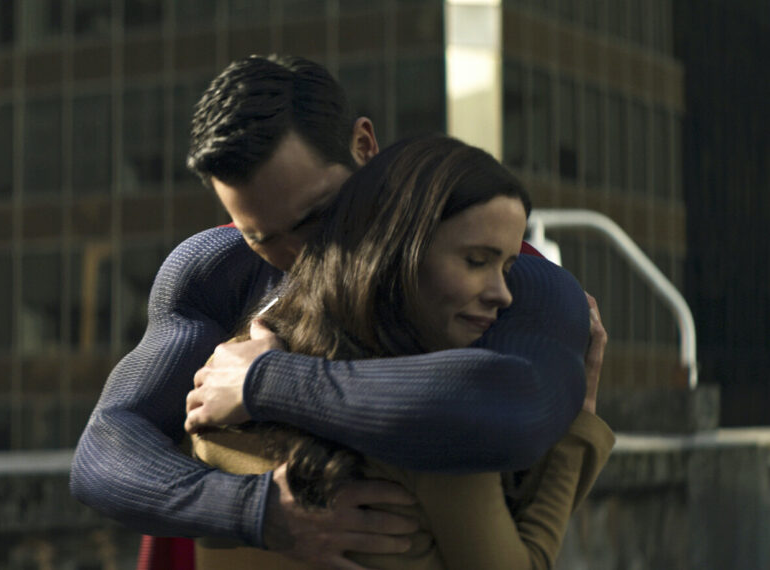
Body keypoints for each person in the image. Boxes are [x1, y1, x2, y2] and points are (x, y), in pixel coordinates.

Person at [70, 55, 605, 568]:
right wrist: (258, 511)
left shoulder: (500, 278)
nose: (298, 257)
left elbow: (513, 410)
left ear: (364, 147)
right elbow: (104, 452)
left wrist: (265, 381)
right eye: (261, 236)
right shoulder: (217, 270)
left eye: (315, 217)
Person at [190, 133, 614, 569]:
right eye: (475, 261)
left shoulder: (224, 374)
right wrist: (576, 432)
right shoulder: (438, 427)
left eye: (506, 267)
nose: (503, 295)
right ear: (396, 253)